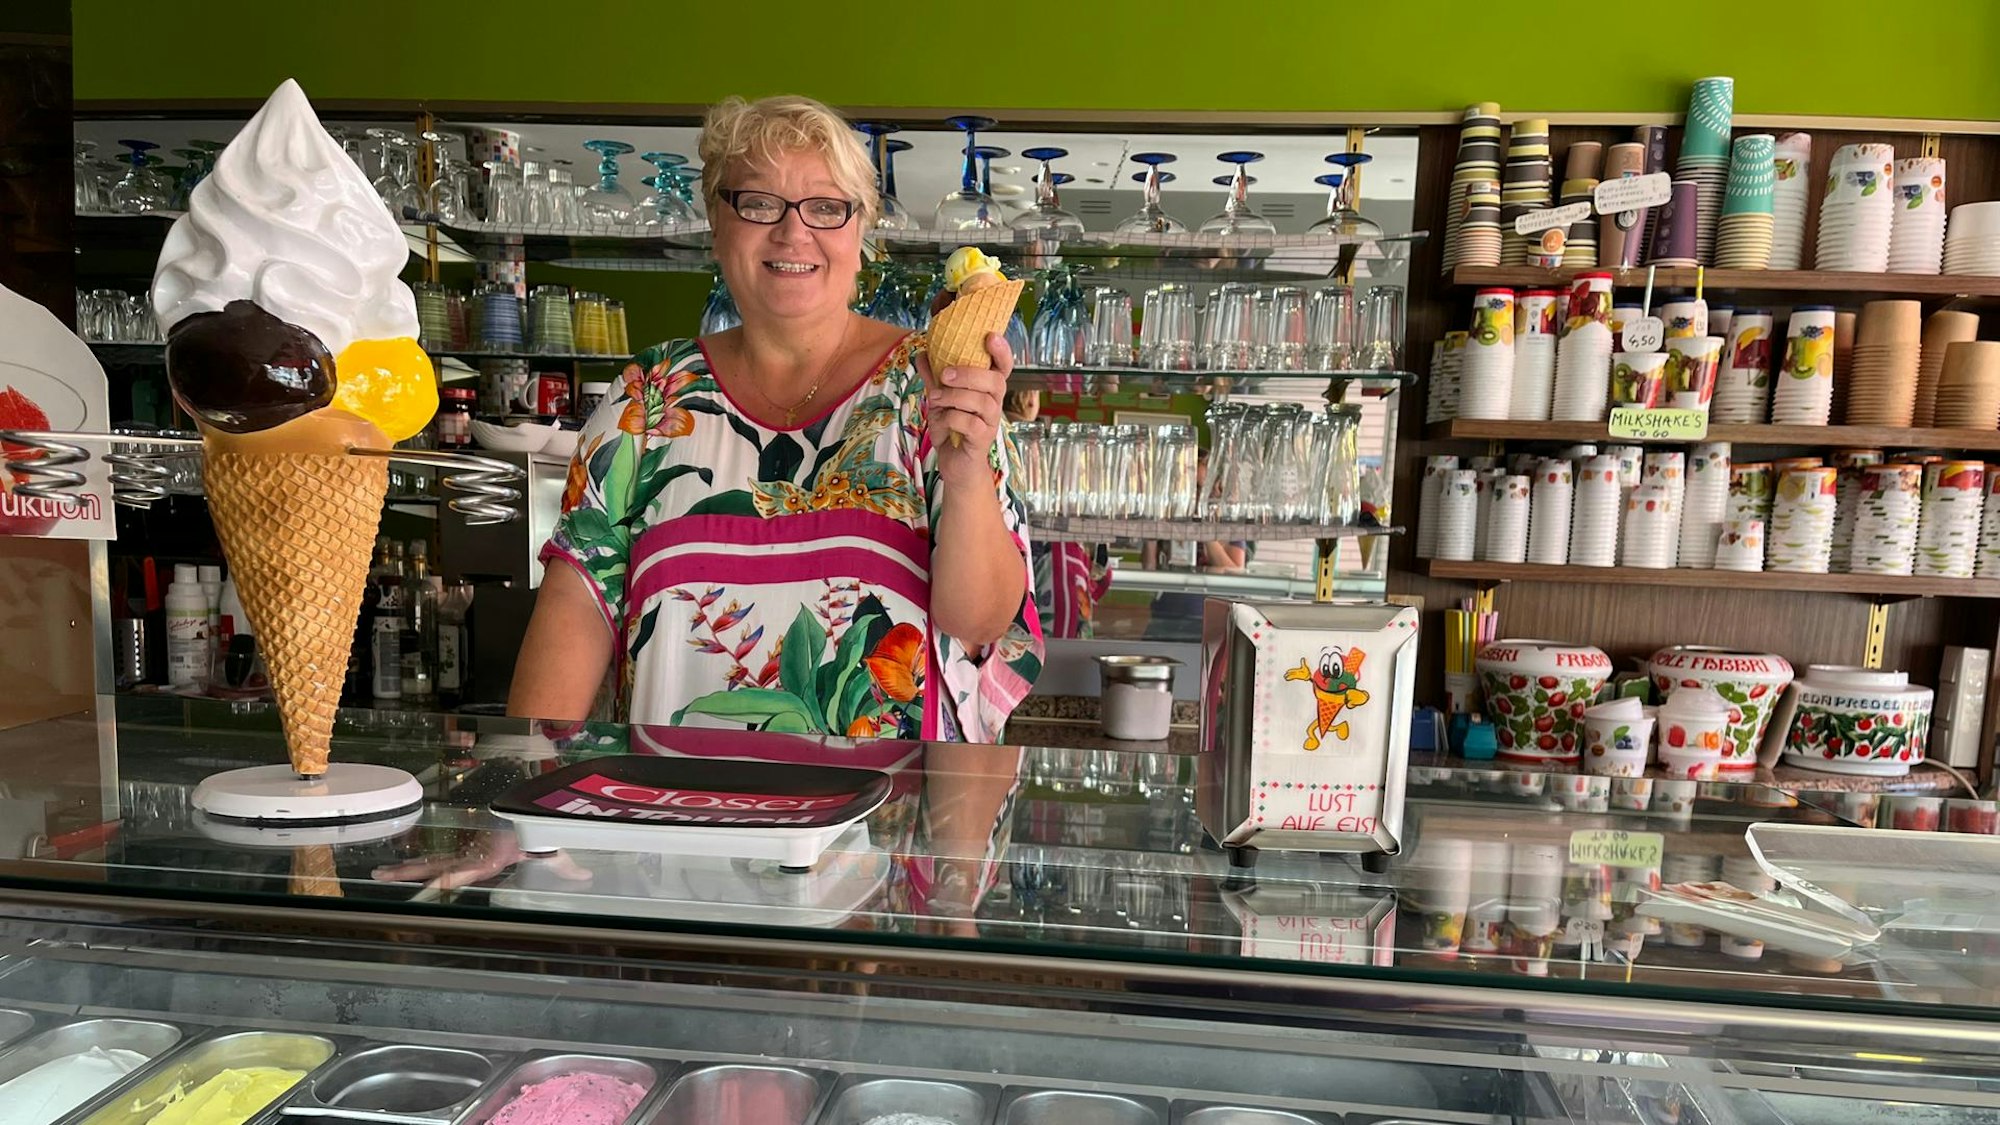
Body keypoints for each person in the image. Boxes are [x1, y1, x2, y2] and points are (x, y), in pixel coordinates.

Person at [510, 95, 1043, 741]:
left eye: (826, 206)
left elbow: (981, 622)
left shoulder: (931, 392)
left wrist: (963, 475)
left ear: (861, 229)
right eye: (759, 203)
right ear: (717, 220)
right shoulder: (649, 399)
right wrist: (530, 797)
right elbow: (573, 617)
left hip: (884, 828)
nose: (794, 233)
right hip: (674, 819)